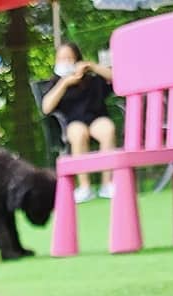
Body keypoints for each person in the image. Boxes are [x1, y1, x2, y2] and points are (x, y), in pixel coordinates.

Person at [42, 42, 117, 202]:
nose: (64, 61)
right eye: (61, 58)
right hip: (73, 123)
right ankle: (84, 187)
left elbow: (116, 78)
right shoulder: (56, 83)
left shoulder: (93, 80)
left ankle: (107, 184)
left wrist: (93, 67)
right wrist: (64, 83)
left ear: (77, 59)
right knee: (77, 133)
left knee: (107, 129)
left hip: (97, 119)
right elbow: (46, 107)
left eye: (68, 58)